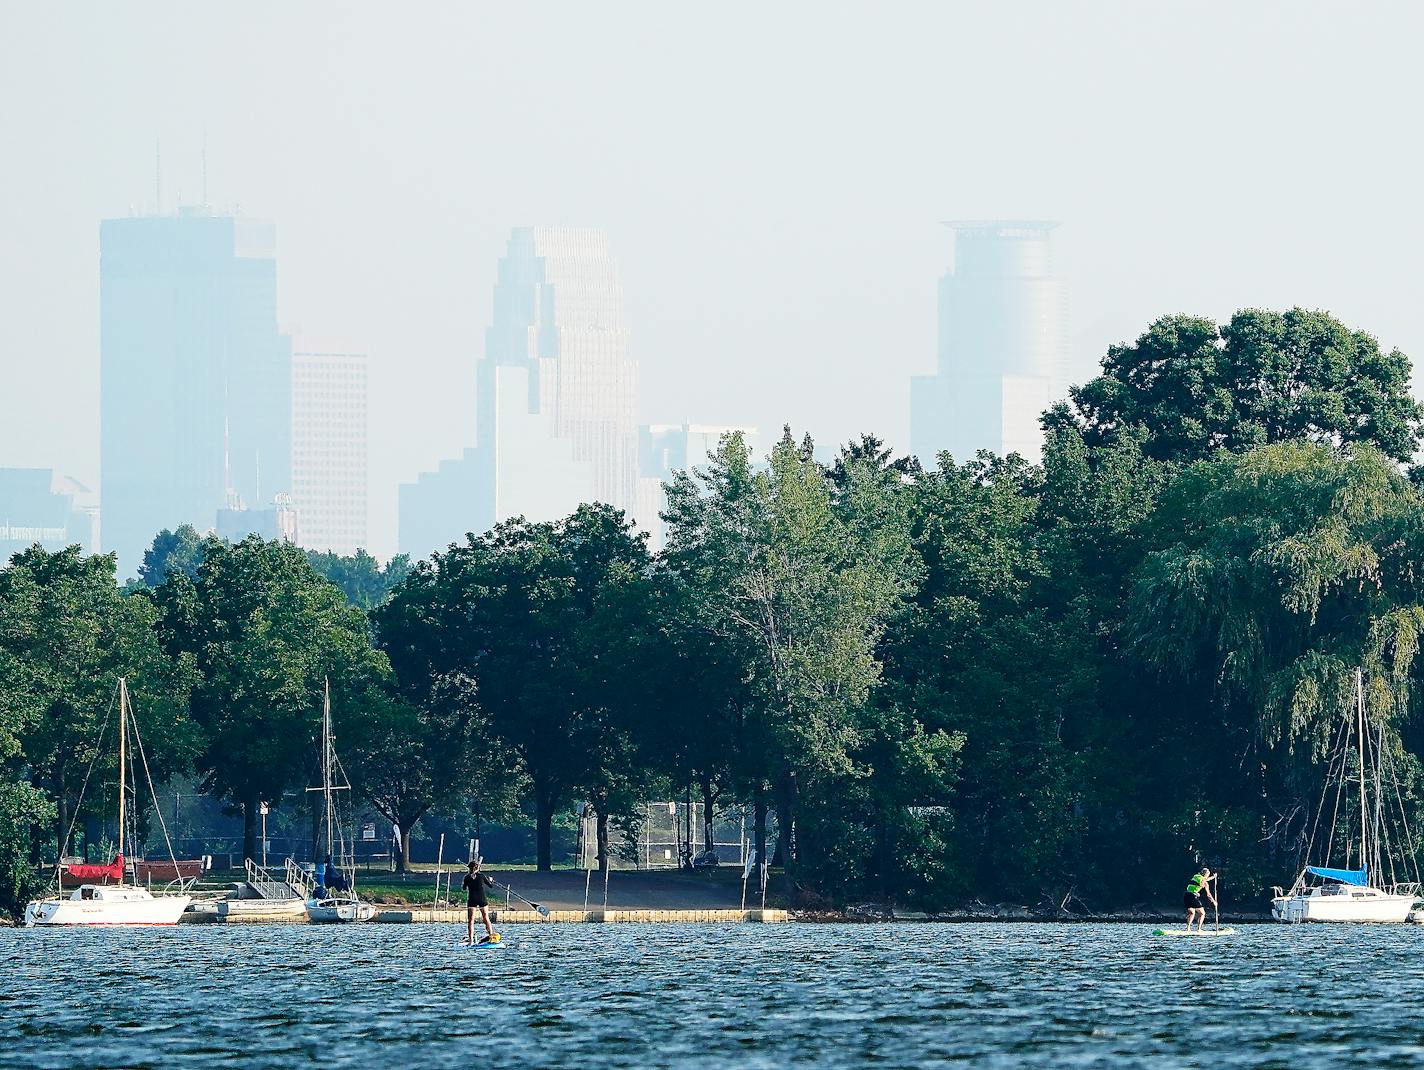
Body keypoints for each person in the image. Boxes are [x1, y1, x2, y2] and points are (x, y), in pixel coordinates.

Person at [463, 858, 497, 945]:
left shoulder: (467, 877)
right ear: (477, 868)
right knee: (486, 918)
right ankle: (491, 937)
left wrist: (468, 881)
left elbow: (463, 888)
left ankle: (471, 941)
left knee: (471, 921)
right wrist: (490, 880)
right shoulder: (482, 876)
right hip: (482, 899)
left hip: (472, 899)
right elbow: (491, 886)